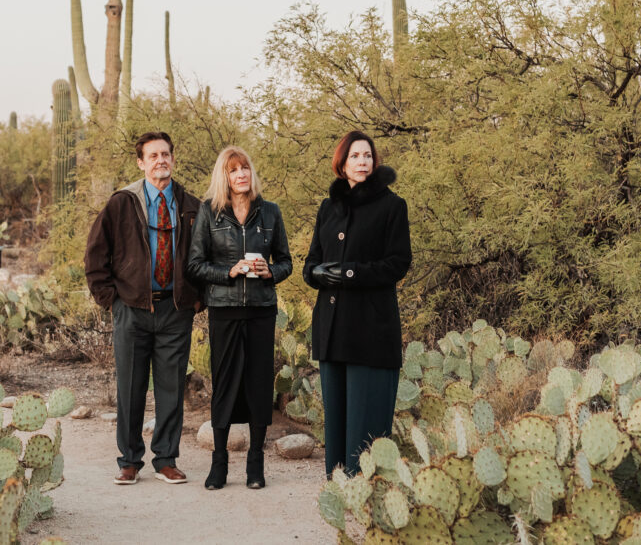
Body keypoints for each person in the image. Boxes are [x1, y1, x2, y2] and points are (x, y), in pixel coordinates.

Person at [85, 131, 202, 486]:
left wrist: (196, 300)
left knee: (171, 389)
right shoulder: (122, 203)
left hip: (174, 311)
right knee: (131, 388)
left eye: (165, 154)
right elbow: (95, 256)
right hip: (132, 309)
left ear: (173, 159)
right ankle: (129, 460)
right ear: (141, 162)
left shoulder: (191, 205)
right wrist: (113, 302)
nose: (160, 161)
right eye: (153, 156)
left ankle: (166, 459)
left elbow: (206, 257)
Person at [303, 131, 411, 477]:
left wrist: (350, 272)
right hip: (332, 329)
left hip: (370, 329)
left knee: (366, 414)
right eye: (355, 156)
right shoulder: (328, 207)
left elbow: (398, 263)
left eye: (367, 155)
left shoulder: (392, 206)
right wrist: (319, 273)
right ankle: (338, 481)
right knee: (337, 414)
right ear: (342, 163)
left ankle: (365, 483)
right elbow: (310, 264)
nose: (362, 162)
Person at [187, 146, 292, 489]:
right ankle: (219, 464)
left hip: (262, 310)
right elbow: (195, 264)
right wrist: (228, 271)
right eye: (234, 170)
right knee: (225, 384)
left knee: (260, 385)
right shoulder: (210, 213)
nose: (241, 175)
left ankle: (255, 465)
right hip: (224, 310)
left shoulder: (270, 212)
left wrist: (269, 271)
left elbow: (286, 262)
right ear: (225, 176)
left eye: (245, 168)